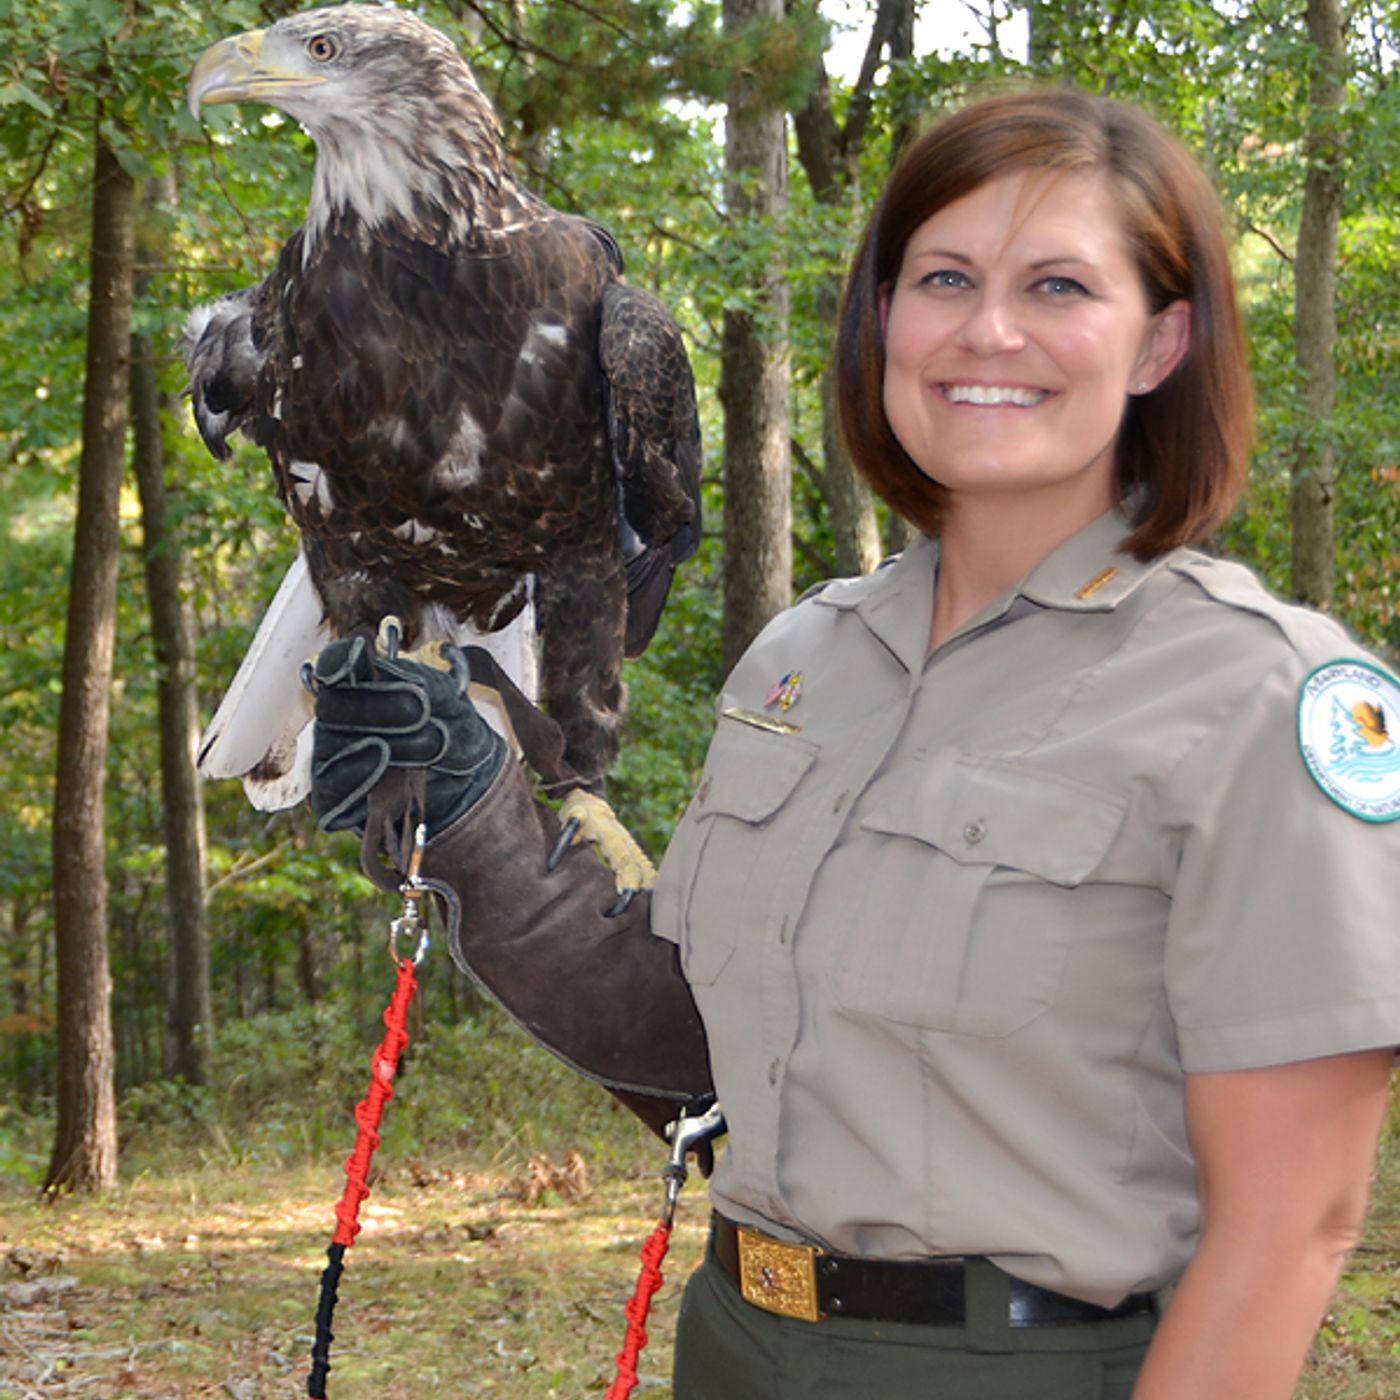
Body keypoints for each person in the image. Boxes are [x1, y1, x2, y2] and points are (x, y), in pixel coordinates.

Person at [307, 87, 1400, 1399]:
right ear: (885, 316)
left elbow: (1292, 1232)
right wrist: (479, 819)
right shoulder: (805, 662)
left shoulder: (1263, 696)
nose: (989, 328)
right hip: (738, 1344)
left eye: (1059, 286)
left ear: (1161, 341)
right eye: (945, 276)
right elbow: (699, 1045)